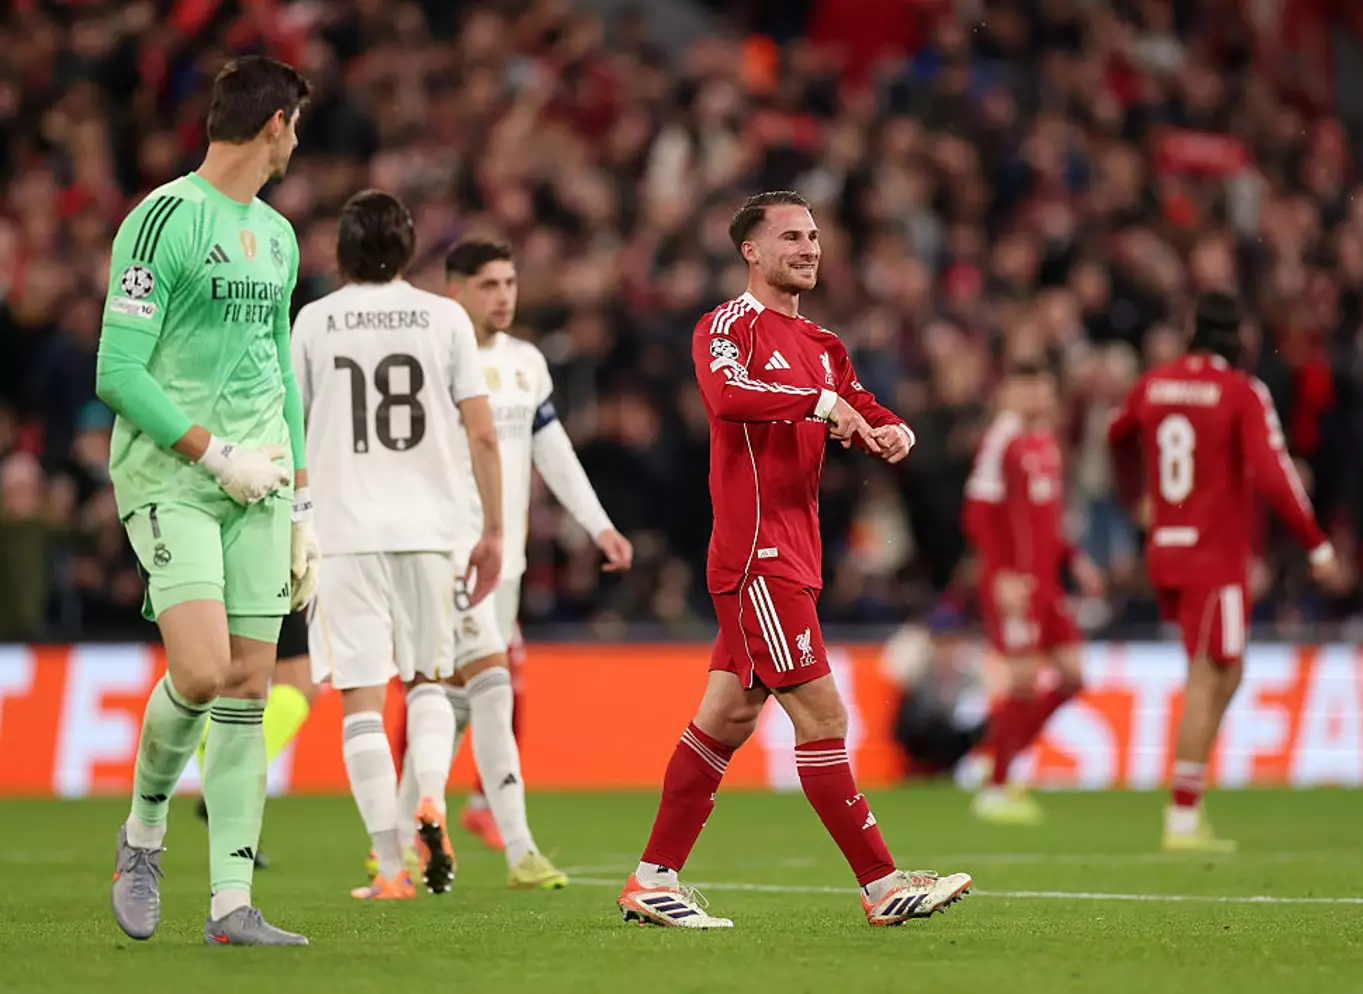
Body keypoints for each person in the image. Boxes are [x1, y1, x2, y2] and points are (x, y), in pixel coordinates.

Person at [615, 191, 972, 929]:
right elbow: (727, 395)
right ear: (751, 251)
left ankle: (652, 879)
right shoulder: (726, 326)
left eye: (813, 236)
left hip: (795, 553)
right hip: (757, 554)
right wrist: (820, 405)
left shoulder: (824, 344)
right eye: (790, 237)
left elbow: (861, 401)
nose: (809, 248)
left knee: (726, 716)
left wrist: (893, 430)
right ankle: (881, 884)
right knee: (823, 714)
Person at [101, 56, 315, 947]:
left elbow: (278, 371)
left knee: (249, 688)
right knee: (198, 673)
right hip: (175, 479)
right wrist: (215, 453)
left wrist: (301, 500)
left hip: (261, 484)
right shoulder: (163, 219)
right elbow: (118, 372)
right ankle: (143, 834)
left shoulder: (279, 237)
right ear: (274, 125)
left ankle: (231, 904)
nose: (297, 143)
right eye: (296, 126)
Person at [374, 240, 633, 889]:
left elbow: (553, 450)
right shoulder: (433, 358)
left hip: (506, 562)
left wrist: (599, 525)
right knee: (484, 688)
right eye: (488, 284)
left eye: (510, 282)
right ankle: (515, 847)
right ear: (455, 290)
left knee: (456, 699)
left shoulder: (526, 362)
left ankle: (401, 841)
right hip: (451, 554)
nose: (504, 296)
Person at [291, 190, 504, 899]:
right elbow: (482, 433)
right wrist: (493, 530)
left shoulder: (315, 322)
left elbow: (291, 429)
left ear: (342, 250)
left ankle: (389, 867)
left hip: (344, 533)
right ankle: (432, 797)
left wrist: (294, 519)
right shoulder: (445, 319)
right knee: (428, 682)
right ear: (409, 248)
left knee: (361, 700)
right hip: (431, 531)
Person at [1108, 291, 1338, 852]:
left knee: (1225, 671)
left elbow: (1116, 437)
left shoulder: (1154, 384)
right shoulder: (1241, 391)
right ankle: (1183, 817)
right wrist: (1316, 545)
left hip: (1167, 548)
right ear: (1241, 337)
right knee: (1209, 675)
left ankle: (1188, 806)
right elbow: (1274, 471)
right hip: (1215, 555)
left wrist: (1135, 498)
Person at [962, 358, 1105, 824]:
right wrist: (1001, 574)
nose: (1035, 397)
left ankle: (997, 754)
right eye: (1026, 389)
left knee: (1073, 675)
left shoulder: (1046, 441)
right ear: (1008, 393)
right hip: (1015, 585)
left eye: (1041, 388)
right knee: (1023, 682)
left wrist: (1074, 559)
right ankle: (996, 789)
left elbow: (1047, 517)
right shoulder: (1000, 439)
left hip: (1047, 582)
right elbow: (978, 515)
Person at [194, 609, 319, 870]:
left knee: (240, 680)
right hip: (266, 587)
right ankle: (228, 778)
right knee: (283, 684)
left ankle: (222, 778)